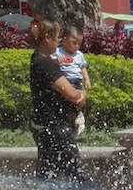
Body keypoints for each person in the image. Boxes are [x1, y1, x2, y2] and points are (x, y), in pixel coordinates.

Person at [29, 17, 88, 181]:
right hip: (55, 128)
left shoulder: (37, 59)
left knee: (47, 176)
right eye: (56, 38)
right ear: (47, 39)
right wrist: (82, 94)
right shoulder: (45, 64)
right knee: (77, 177)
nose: (58, 42)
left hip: (43, 126)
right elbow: (72, 94)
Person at [56, 24, 88, 138]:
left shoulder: (79, 55)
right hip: (64, 80)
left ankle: (78, 115)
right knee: (65, 101)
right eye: (74, 42)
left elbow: (82, 68)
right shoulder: (58, 51)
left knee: (77, 100)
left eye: (79, 44)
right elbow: (51, 66)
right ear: (64, 39)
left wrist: (86, 80)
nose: (76, 46)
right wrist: (57, 62)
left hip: (76, 81)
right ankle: (69, 119)